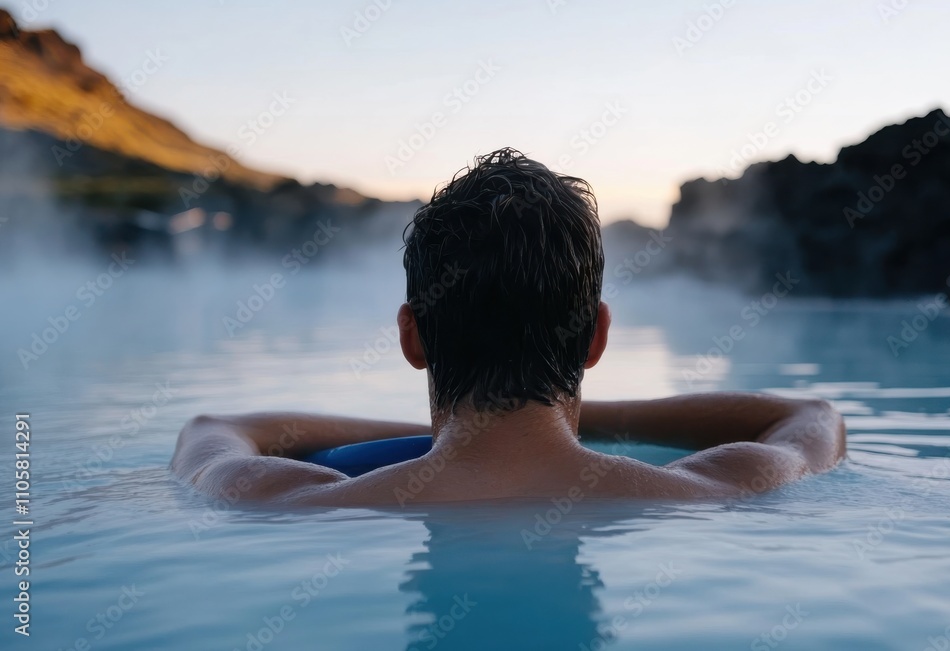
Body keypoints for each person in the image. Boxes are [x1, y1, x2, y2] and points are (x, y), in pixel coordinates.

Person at [171, 148, 845, 506]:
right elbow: (812, 417)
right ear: (596, 338)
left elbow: (212, 432)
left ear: (412, 337)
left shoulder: (294, 504)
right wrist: (559, 415)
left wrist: (443, 429)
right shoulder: (715, 490)